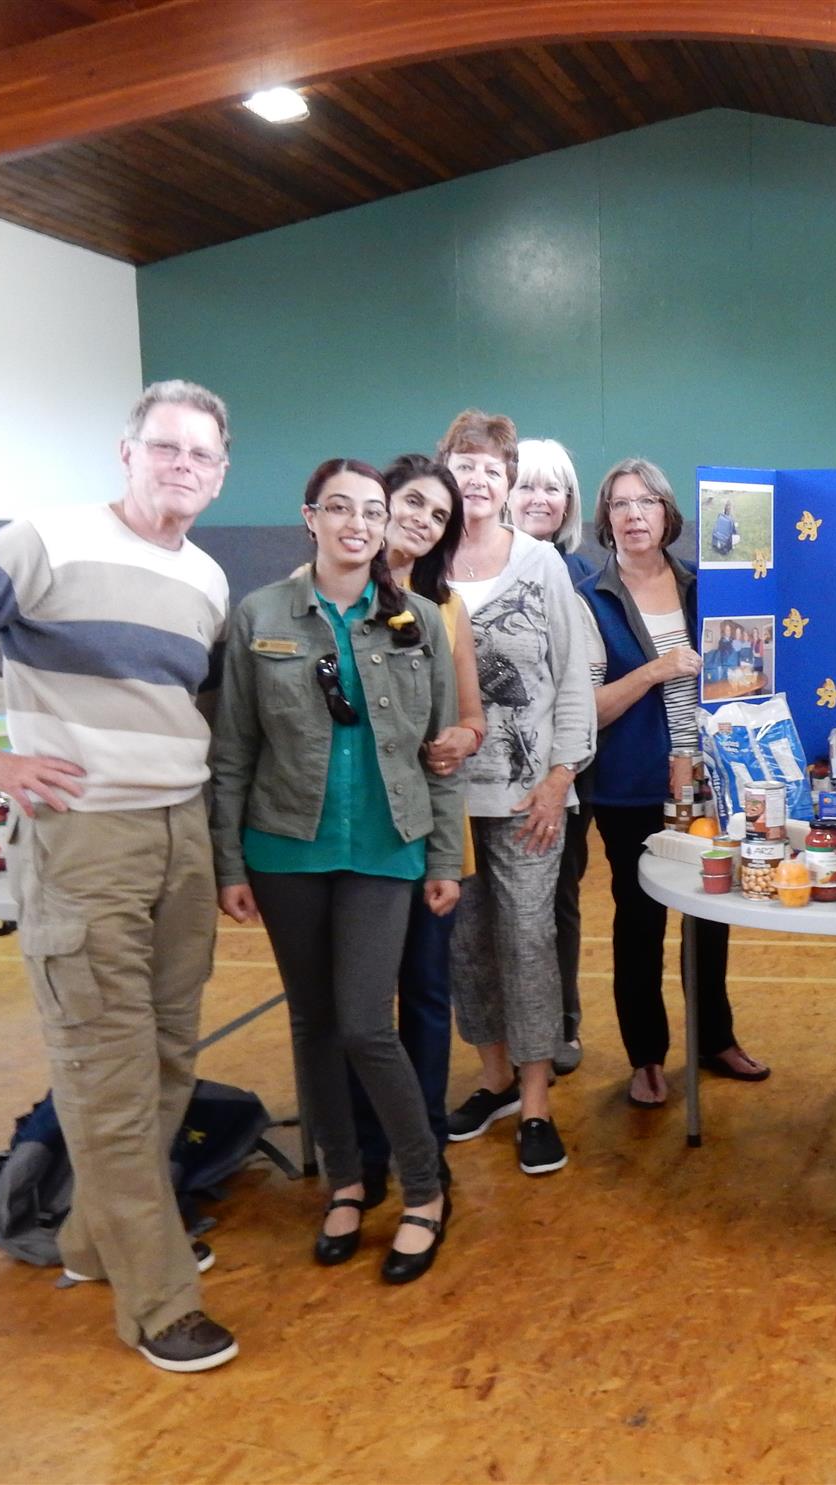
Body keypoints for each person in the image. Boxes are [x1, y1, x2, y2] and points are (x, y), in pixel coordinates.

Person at [0, 380, 239, 1371]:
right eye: (166, 447)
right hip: (86, 838)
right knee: (107, 1069)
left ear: (221, 473)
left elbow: (185, 707)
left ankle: (93, 1240)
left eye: (202, 454)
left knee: (167, 1056)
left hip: (180, 833)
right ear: (128, 452)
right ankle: (160, 1302)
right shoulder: (47, 540)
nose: (183, 466)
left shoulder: (206, 579)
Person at [211, 460, 461, 1283]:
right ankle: (346, 1181)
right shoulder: (260, 615)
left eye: (372, 511)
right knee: (313, 1023)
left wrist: (444, 856)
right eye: (340, 508)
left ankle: (424, 1187)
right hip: (284, 847)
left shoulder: (420, 619)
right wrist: (227, 862)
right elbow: (234, 748)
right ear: (309, 516)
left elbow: (442, 752)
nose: (358, 523)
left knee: (363, 1023)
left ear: (385, 525)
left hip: (386, 844)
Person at [579, 458, 769, 1108]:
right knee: (639, 922)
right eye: (621, 504)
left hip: (713, 782)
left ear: (668, 514)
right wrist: (654, 671)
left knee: (711, 916)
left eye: (647, 502)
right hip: (632, 788)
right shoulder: (591, 597)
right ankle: (647, 1057)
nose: (634, 515)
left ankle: (715, 1038)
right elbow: (590, 709)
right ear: (606, 519)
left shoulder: (705, 586)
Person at [437, 409, 595, 1176]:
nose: (476, 479)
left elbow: (572, 680)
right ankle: (494, 1079)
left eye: (491, 469)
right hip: (444, 801)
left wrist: (560, 776)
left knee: (529, 940)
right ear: (443, 470)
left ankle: (535, 1101)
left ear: (507, 482)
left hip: (530, 797)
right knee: (467, 946)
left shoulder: (540, 565)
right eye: (463, 465)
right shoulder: (418, 564)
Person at [341, 453, 486, 1203]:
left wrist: (462, 736)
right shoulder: (331, 594)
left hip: (430, 832)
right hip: (350, 835)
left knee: (426, 994)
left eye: (440, 516)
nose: (423, 521)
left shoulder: (446, 610)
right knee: (357, 1008)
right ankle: (361, 1153)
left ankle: (424, 1145)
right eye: (414, 503)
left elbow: (472, 717)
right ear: (379, 502)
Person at [506, 437, 594, 1077]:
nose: (540, 499)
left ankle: (560, 1023)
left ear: (570, 502)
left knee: (554, 905)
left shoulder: (582, 576)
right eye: (527, 485)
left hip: (566, 775)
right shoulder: (466, 568)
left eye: (553, 487)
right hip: (489, 776)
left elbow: (581, 686)